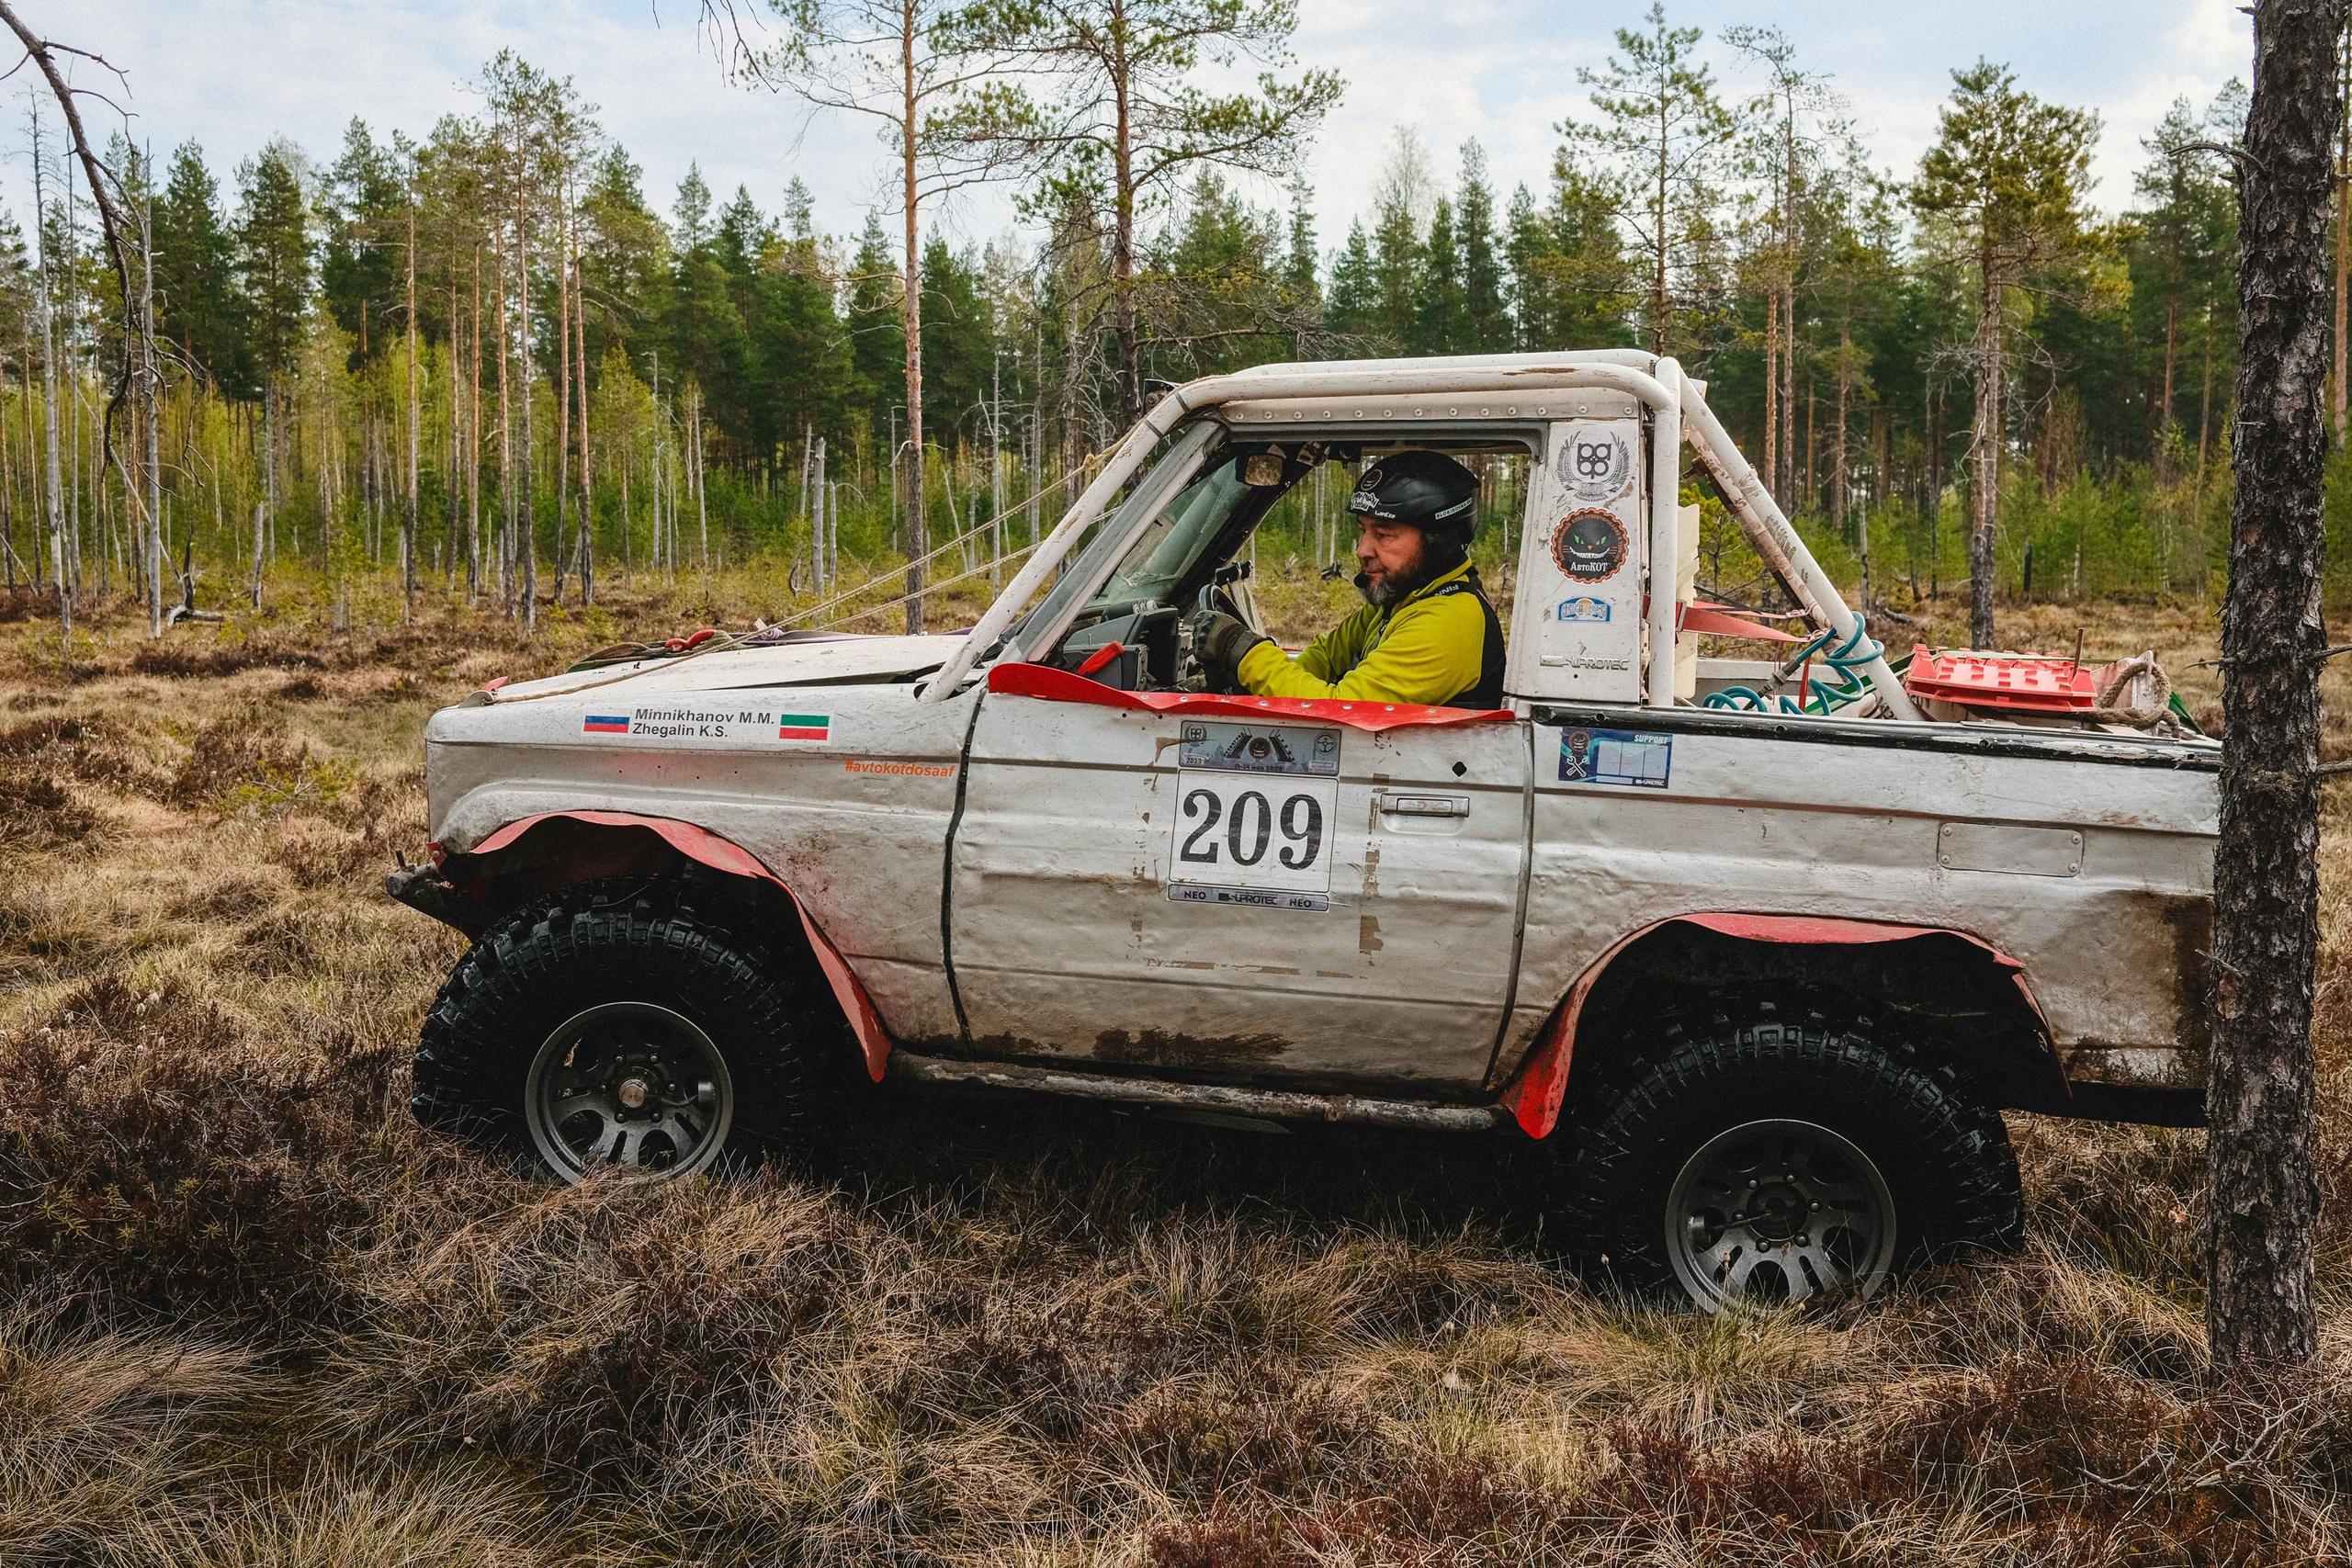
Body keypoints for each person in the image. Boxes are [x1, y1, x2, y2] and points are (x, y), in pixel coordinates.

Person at [1188, 450, 1504, 708]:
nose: (1362, 550)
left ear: (1439, 542)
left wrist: (1243, 650)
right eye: (1363, 531)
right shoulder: (1404, 601)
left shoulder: (1448, 621)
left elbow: (1342, 710)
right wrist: (1260, 679)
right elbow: (1325, 656)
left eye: (1383, 534)